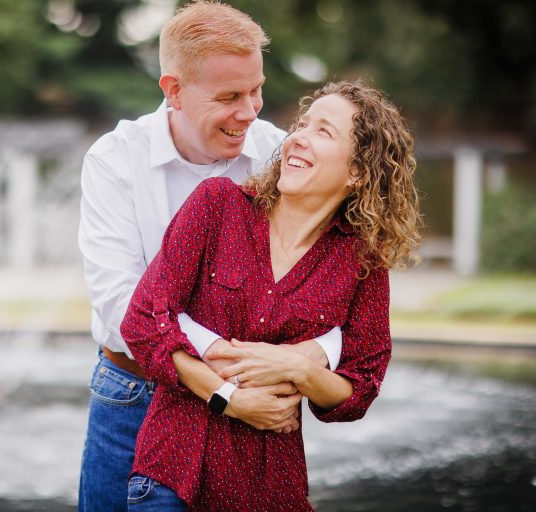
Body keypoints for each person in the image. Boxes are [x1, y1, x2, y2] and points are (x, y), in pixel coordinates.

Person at [77, 2, 343, 510]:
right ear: (173, 91)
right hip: (136, 394)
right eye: (229, 97)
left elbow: (324, 290)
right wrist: (231, 387)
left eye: (256, 90)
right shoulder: (115, 161)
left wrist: (296, 363)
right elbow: (121, 311)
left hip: (253, 400)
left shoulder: (279, 155)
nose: (250, 111)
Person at [120, 80, 422, 511]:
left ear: (358, 171)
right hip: (174, 474)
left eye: (324, 131)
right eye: (302, 124)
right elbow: (143, 321)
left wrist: (295, 367)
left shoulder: (361, 259)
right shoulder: (217, 205)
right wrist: (230, 399)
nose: (297, 136)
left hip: (269, 489)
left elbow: (361, 386)